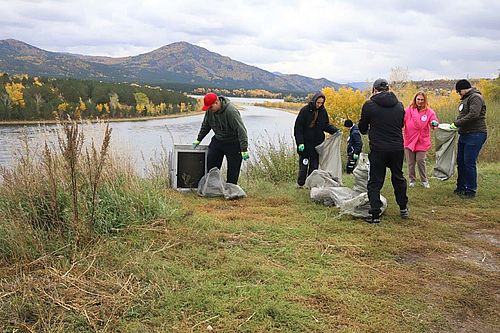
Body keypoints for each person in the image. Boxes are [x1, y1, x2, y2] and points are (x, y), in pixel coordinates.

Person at [358, 78, 409, 224]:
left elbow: (362, 128)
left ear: (374, 90)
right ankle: (403, 208)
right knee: (398, 177)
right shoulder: (399, 106)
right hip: (397, 148)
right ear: (388, 89)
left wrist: (371, 129)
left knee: (375, 180)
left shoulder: (369, 105)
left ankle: (375, 214)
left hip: (378, 148)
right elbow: (400, 124)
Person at [192, 92, 249, 185]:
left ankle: (231, 191)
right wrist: (199, 139)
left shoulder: (231, 111)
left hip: (233, 143)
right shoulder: (210, 111)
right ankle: (213, 189)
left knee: (233, 170)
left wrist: (244, 148)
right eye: (208, 108)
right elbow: (206, 126)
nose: (209, 109)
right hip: (218, 140)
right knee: (211, 166)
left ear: (217, 102)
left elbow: (241, 130)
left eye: (210, 107)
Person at [450, 79, 487, 198]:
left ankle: (470, 190)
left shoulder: (475, 97)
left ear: (464, 89)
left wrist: (457, 123)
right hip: (465, 134)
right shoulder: (465, 99)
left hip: (475, 134)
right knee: (460, 162)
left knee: (469, 162)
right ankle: (461, 187)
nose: (458, 94)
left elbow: (473, 114)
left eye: (459, 91)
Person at [294, 92, 339, 187]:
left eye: (321, 103)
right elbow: (298, 128)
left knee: (314, 167)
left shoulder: (323, 112)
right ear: (314, 101)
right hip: (305, 145)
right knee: (304, 166)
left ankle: (310, 185)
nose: (319, 105)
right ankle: (301, 184)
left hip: (317, 145)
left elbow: (325, 125)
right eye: (318, 102)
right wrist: (300, 142)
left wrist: (335, 131)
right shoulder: (305, 110)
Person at [403, 92, 439, 188]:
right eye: (418, 99)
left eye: (422, 100)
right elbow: (400, 121)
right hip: (409, 139)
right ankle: (412, 180)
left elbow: (434, 122)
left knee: (420, 161)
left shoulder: (429, 112)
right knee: (410, 162)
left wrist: (434, 124)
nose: (420, 101)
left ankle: (424, 180)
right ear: (415, 100)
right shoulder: (408, 110)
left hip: (422, 140)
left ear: (425, 100)